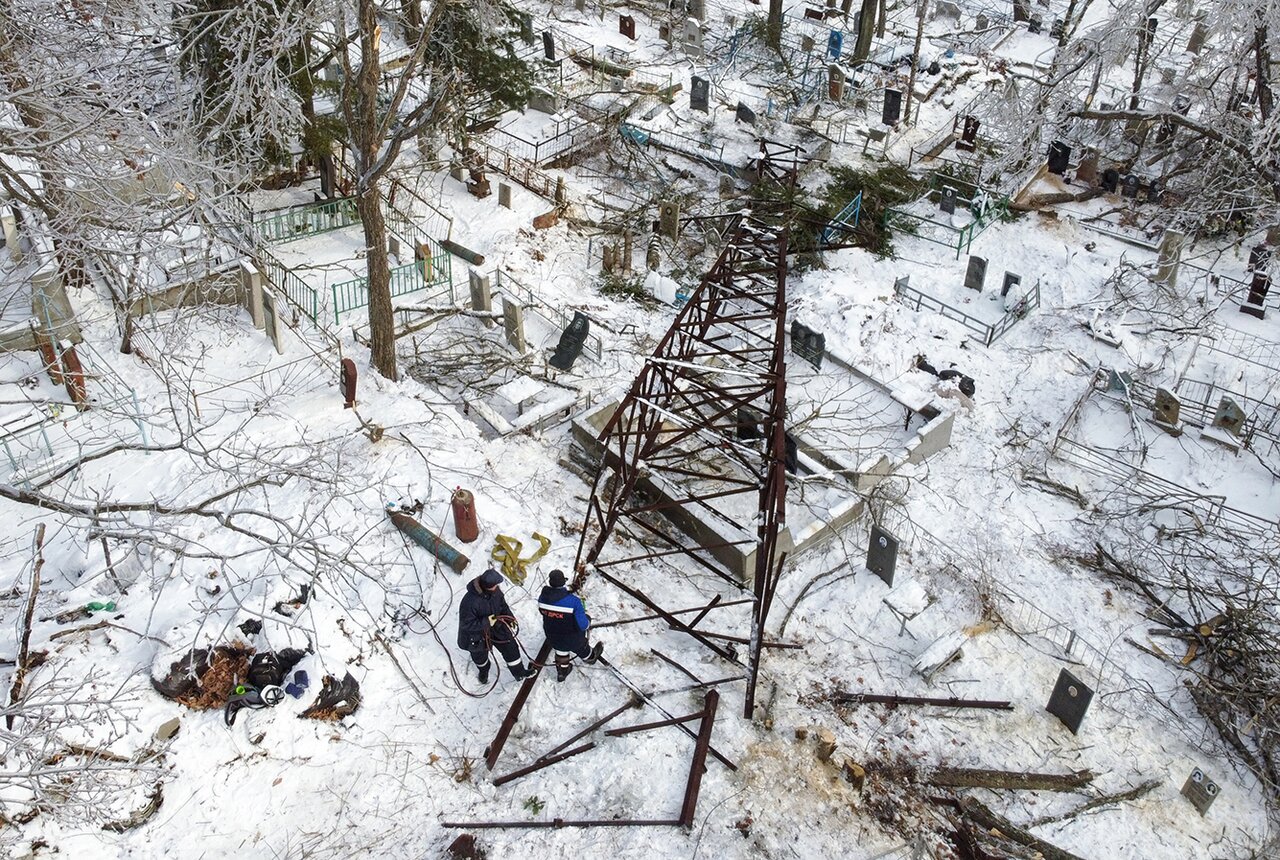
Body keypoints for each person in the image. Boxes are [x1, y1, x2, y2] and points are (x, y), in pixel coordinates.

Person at [457, 569, 535, 683]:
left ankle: (519, 673)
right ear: (487, 586)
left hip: (497, 627)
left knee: (511, 649)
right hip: (478, 635)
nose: (497, 587)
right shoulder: (469, 602)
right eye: (495, 585)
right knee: (480, 658)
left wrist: (510, 618)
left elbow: (503, 606)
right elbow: (466, 624)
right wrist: (487, 622)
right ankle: (483, 671)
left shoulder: (496, 592)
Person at [537, 569, 603, 682]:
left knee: (560, 649)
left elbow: (543, 612)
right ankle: (591, 657)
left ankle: (562, 672)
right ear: (563, 583)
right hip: (573, 639)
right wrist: (587, 620)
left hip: (552, 637)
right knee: (582, 648)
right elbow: (583, 625)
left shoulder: (542, 599)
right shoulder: (574, 602)